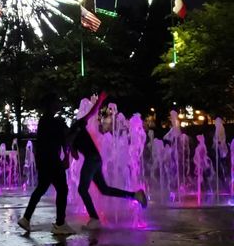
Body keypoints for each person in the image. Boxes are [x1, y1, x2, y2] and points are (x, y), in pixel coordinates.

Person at [70, 92, 147, 230]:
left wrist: (100, 100)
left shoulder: (76, 127)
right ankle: (135, 195)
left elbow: (91, 113)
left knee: (82, 189)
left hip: (92, 160)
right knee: (104, 189)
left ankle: (94, 218)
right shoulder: (75, 130)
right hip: (96, 160)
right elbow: (75, 155)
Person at [18, 93, 75, 235]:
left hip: (43, 160)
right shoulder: (55, 122)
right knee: (62, 189)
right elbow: (64, 139)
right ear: (52, 105)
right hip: (52, 161)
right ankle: (60, 224)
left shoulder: (43, 121)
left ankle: (26, 218)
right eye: (56, 102)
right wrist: (66, 156)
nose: (58, 104)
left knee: (41, 188)